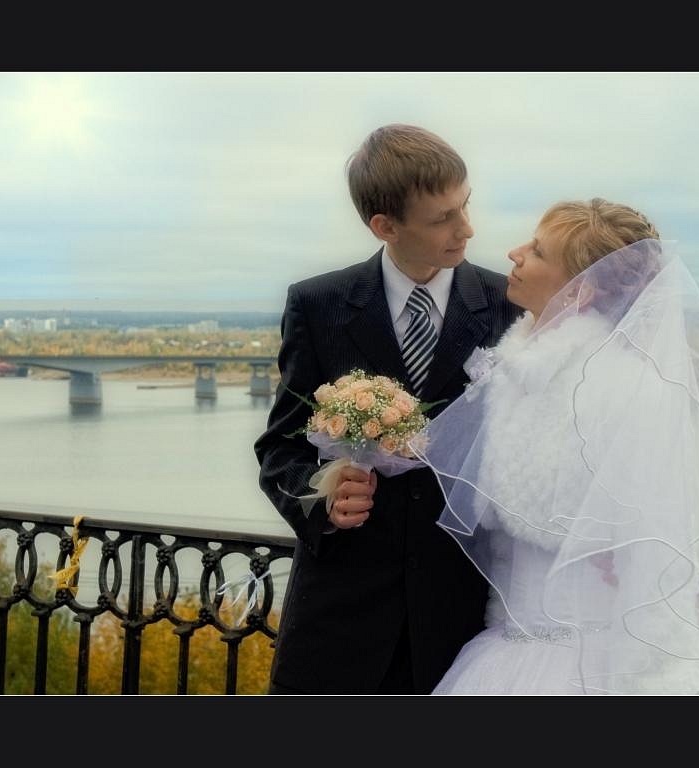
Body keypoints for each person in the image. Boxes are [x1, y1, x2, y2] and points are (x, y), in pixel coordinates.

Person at [412, 199, 699, 694]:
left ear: (580, 290)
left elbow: (659, 549)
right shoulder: (512, 376)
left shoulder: (626, 388)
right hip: (508, 643)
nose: (514, 253)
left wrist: (652, 674)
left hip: (601, 663)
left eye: (537, 251)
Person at [254, 124, 522, 694]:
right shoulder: (318, 304)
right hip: (340, 618)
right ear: (385, 226)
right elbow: (281, 448)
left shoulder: (509, 304)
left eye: (465, 205)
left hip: (463, 614)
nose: (466, 228)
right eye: (443, 218)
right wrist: (322, 499)